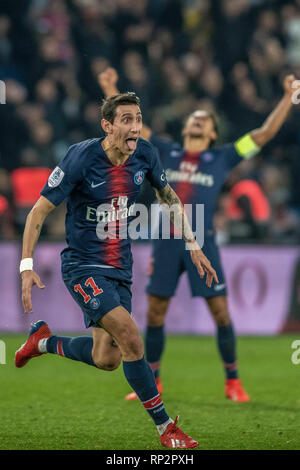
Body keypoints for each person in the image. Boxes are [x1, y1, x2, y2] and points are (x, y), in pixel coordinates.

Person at [15, 92, 219, 449]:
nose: (135, 127)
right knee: (130, 336)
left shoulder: (145, 155)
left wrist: (194, 245)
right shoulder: (81, 157)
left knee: (106, 358)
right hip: (82, 266)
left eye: (138, 118)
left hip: (120, 267)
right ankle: (165, 427)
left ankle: (42, 341)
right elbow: (37, 213)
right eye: (126, 120)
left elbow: (169, 197)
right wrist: (27, 265)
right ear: (107, 126)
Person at [99, 68, 300, 402]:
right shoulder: (162, 149)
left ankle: (232, 381)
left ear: (212, 133)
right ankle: (155, 381)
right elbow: (129, 126)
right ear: (186, 127)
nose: (197, 120)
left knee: (220, 312)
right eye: (194, 117)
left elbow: (263, 134)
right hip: (166, 239)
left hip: (203, 242)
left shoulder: (222, 156)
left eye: (204, 119)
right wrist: (109, 88)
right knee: (156, 312)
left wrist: (287, 97)